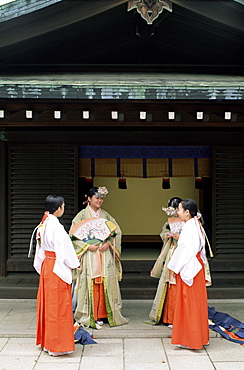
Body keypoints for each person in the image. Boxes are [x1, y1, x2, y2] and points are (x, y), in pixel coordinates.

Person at [70, 186, 128, 329]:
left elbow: (116, 232)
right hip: (89, 254)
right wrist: (86, 247)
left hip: (104, 253)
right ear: (88, 199)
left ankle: (104, 314)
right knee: (89, 282)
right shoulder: (81, 216)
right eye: (97, 198)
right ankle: (90, 315)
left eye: (102, 198)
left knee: (105, 281)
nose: (100, 201)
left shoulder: (106, 216)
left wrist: (109, 243)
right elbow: (72, 236)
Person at [29, 195, 80, 356]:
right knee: (58, 305)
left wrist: (41, 265)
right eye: (63, 206)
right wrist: (74, 263)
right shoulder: (56, 227)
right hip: (57, 266)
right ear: (58, 208)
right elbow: (64, 250)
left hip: (47, 265)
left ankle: (47, 342)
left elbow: (40, 250)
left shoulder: (43, 224)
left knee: (48, 303)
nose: (63, 209)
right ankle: (57, 345)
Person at [167, 199, 210, 350]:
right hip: (196, 267)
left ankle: (191, 339)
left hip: (190, 268)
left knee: (188, 303)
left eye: (179, 209)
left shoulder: (189, 227)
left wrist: (174, 267)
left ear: (187, 212)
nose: (177, 212)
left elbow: (186, 251)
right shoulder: (195, 224)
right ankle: (199, 337)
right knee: (195, 303)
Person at [148, 197, 183, 326]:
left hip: (183, 254)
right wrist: (167, 235)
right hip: (172, 251)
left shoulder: (191, 221)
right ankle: (169, 317)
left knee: (179, 284)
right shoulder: (169, 222)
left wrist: (182, 237)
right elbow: (163, 233)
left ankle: (180, 317)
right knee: (169, 284)